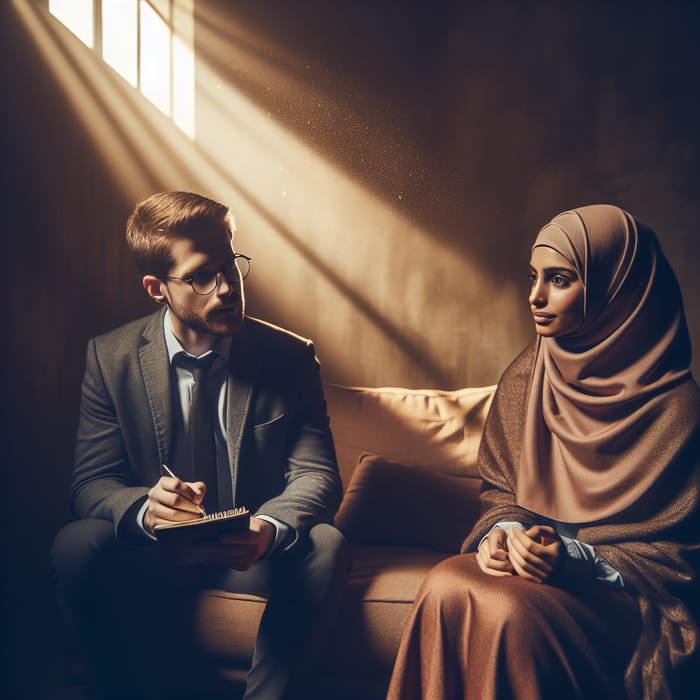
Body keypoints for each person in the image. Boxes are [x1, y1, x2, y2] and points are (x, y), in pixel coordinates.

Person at [386, 205, 700, 699]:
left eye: (559, 279)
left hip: (625, 600)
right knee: (446, 584)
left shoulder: (678, 410)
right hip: (535, 575)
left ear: (616, 292)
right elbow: (502, 492)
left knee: (512, 615)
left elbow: (678, 561)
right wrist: (501, 533)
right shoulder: (526, 376)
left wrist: (573, 559)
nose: (534, 296)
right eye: (533, 277)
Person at [49, 191, 349, 700]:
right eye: (202, 276)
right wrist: (146, 509)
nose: (228, 287)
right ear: (155, 287)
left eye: (231, 264)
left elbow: (317, 476)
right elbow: (91, 481)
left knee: (326, 544)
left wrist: (267, 529)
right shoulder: (110, 357)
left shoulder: (290, 357)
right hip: (154, 556)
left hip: (250, 557)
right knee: (75, 544)